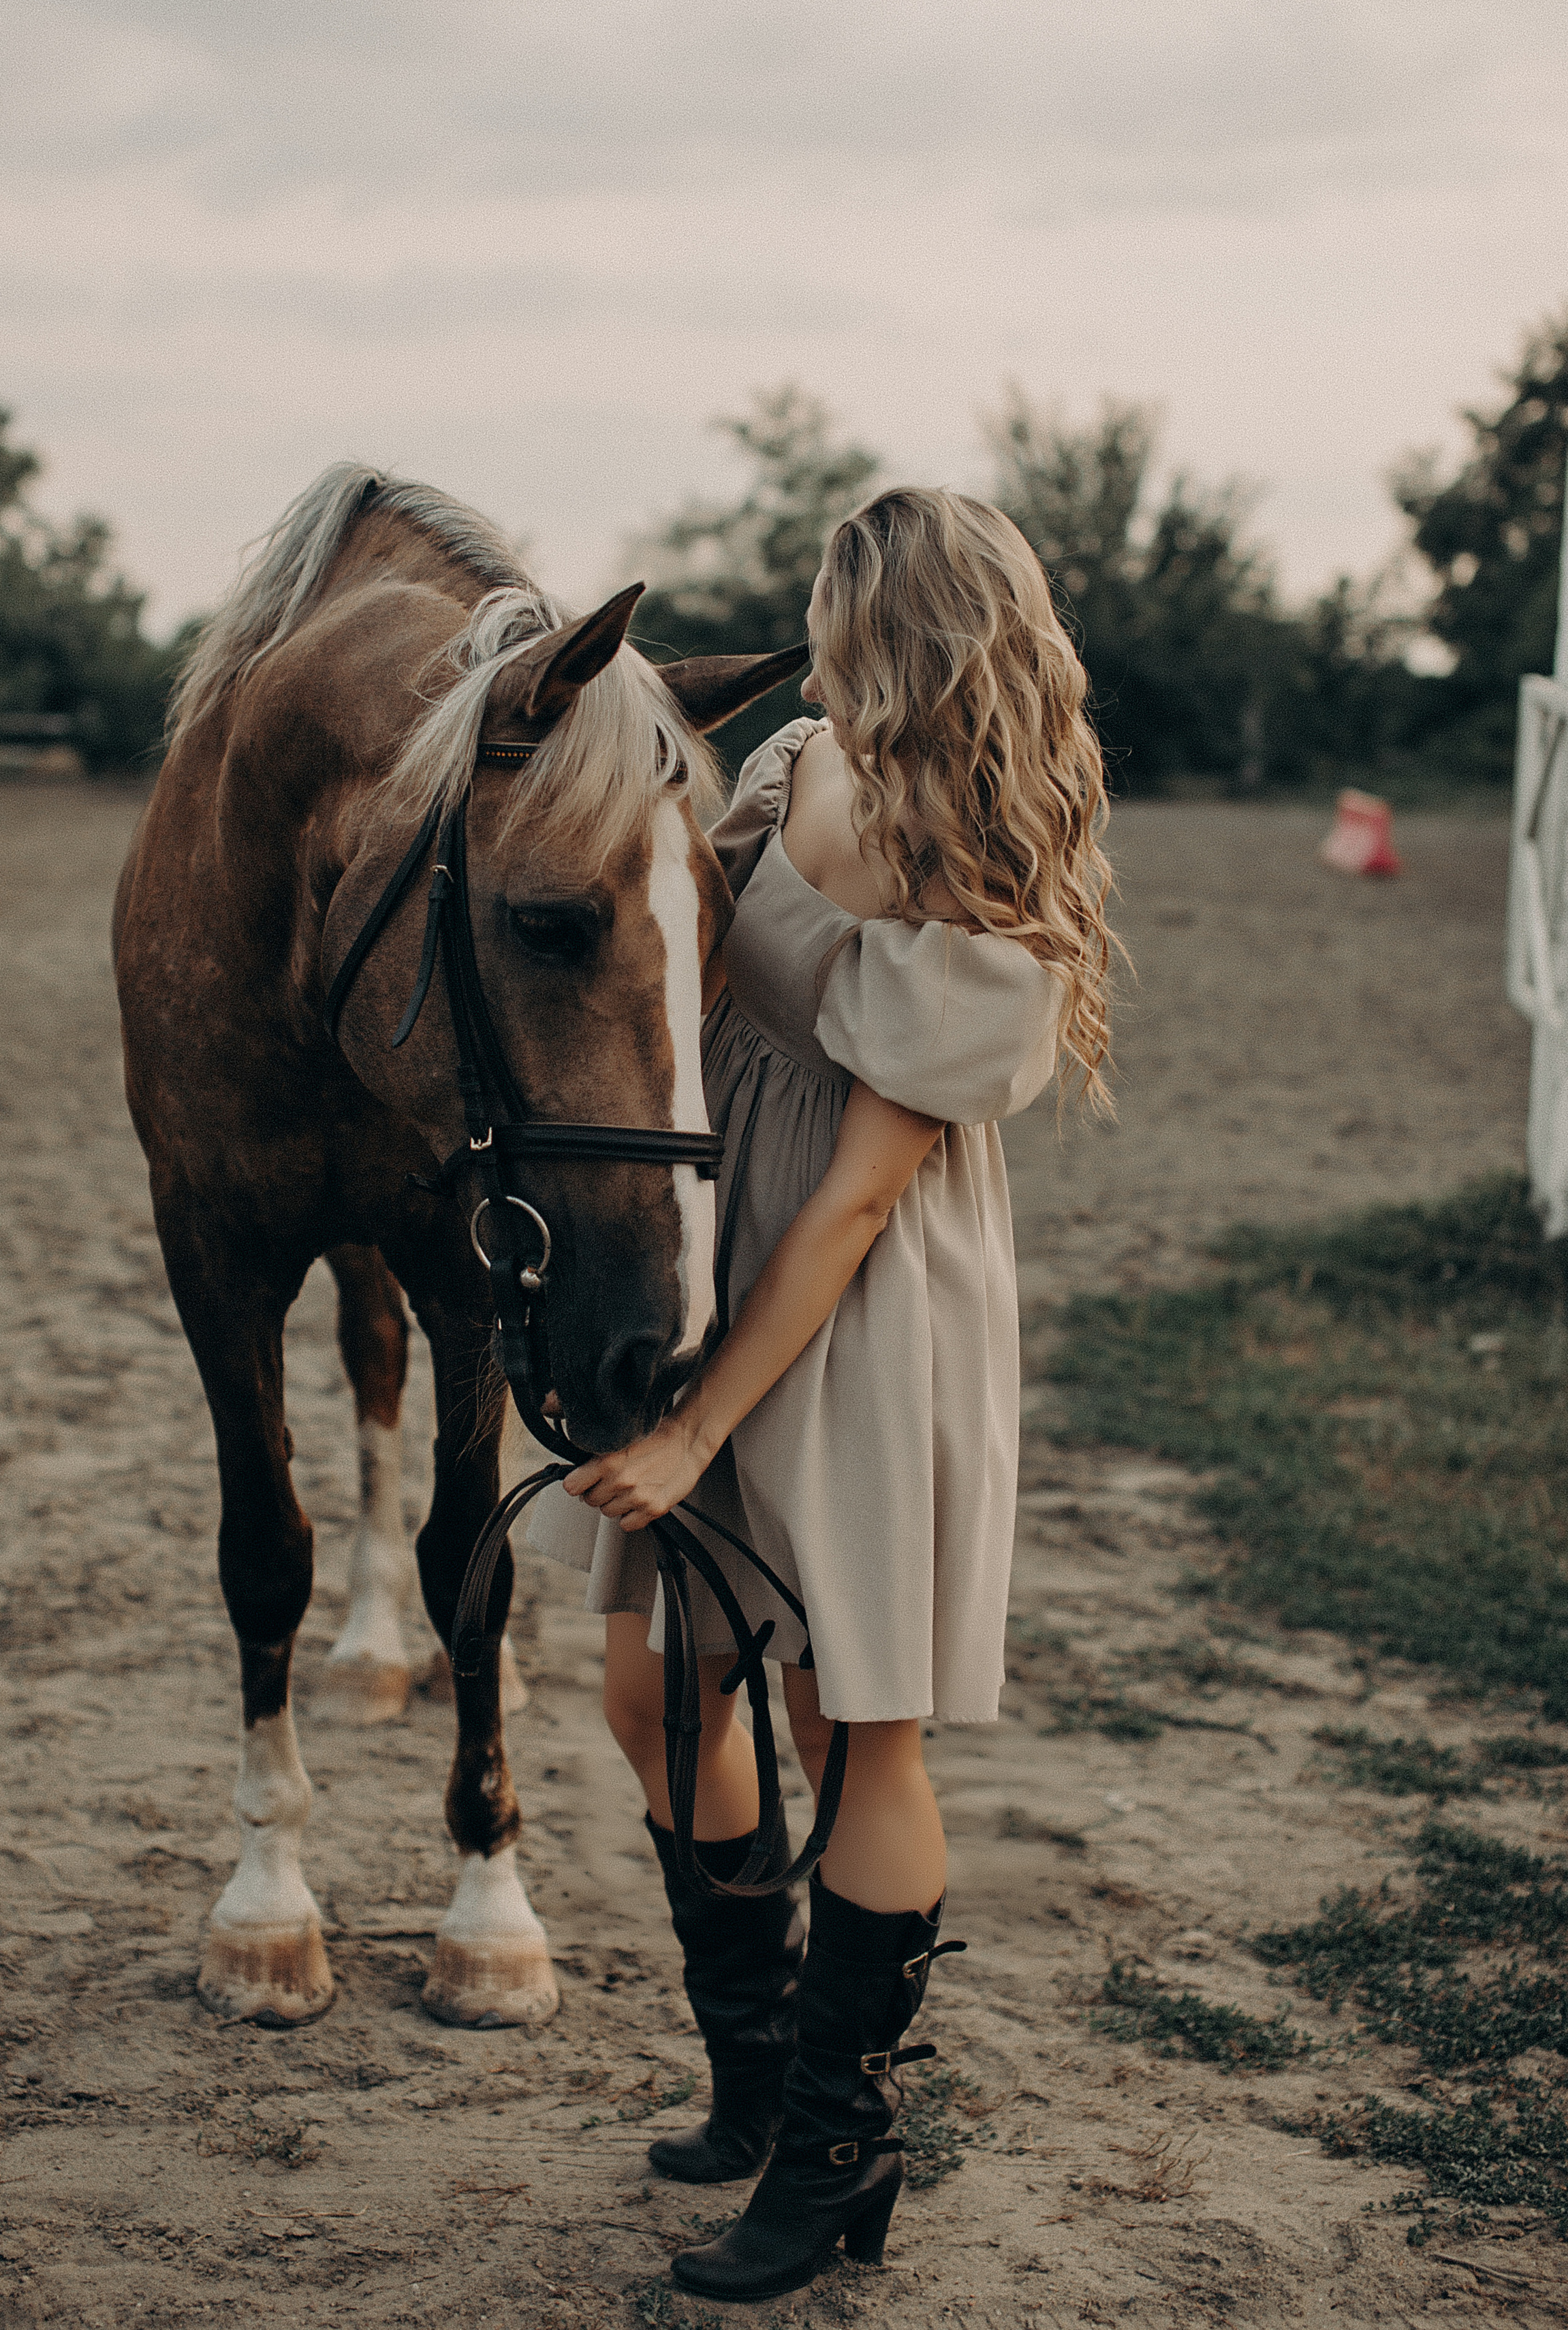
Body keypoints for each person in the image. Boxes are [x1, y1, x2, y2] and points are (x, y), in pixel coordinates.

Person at [530, 485, 1116, 2303]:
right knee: (656, 1683)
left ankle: (836, 2154)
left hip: (861, 1305)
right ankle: (763, 2069)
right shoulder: (789, 766)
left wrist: (701, 1421)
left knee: (849, 1721)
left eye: (830, 619)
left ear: (896, 634)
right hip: (719, 1241)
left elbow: (864, 1194)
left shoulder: (988, 883)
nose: (811, 649)